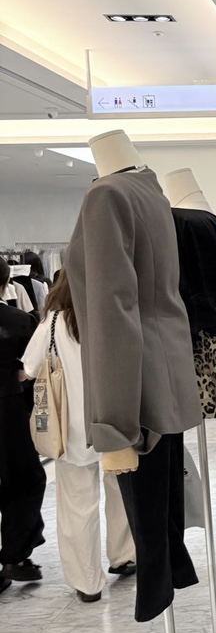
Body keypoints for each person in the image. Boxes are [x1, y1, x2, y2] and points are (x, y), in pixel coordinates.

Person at [22, 272, 136, 603]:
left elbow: (30, 367)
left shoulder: (54, 323)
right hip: (113, 419)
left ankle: (88, 582)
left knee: (77, 503)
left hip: (70, 427)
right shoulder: (111, 315)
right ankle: (124, 556)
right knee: (120, 489)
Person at [0, 256, 45, 592]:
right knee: (24, 480)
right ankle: (15, 556)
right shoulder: (18, 321)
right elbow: (31, 368)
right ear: (6, 284)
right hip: (9, 410)